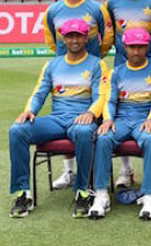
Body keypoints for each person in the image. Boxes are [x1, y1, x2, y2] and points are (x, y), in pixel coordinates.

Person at [9, 19, 108, 218]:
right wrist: (30, 110)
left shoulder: (97, 64)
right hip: (56, 119)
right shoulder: (52, 65)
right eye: (70, 36)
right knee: (17, 130)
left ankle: (82, 191)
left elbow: (102, 96)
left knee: (83, 132)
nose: (74, 40)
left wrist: (90, 113)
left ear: (86, 37)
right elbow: (39, 92)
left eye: (79, 35)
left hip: (82, 119)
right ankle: (23, 193)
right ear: (63, 38)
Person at [43, 0, 114, 190]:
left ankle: (93, 173)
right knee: (64, 114)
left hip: (93, 72)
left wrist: (96, 57)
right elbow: (51, 41)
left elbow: (108, 35)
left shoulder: (96, 8)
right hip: (65, 73)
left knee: (94, 119)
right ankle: (68, 172)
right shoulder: (53, 11)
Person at [89, 28, 151, 220]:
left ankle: (149, 196)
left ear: (147, 47)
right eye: (132, 47)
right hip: (121, 120)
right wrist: (107, 120)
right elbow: (110, 100)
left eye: (140, 47)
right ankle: (101, 194)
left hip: (144, 119)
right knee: (103, 137)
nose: (136, 51)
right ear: (125, 47)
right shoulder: (116, 72)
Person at [105, 0, 151, 188]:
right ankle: (126, 170)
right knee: (119, 115)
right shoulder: (112, 1)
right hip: (122, 64)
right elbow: (107, 33)